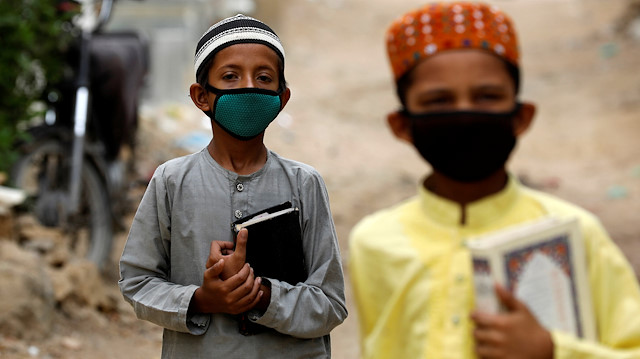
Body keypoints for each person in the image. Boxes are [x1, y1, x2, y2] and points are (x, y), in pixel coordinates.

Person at [348, 2, 640, 358]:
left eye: (487, 97)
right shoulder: (373, 243)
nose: (464, 115)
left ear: (521, 117)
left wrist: (553, 351)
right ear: (402, 125)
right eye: (438, 101)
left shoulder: (578, 233)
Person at [119, 14, 347, 358]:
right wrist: (202, 300)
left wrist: (263, 295)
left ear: (281, 98)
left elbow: (330, 302)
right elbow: (137, 283)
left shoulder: (304, 183)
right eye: (230, 76)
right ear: (202, 96)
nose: (249, 87)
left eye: (264, 77)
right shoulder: (171, 181)